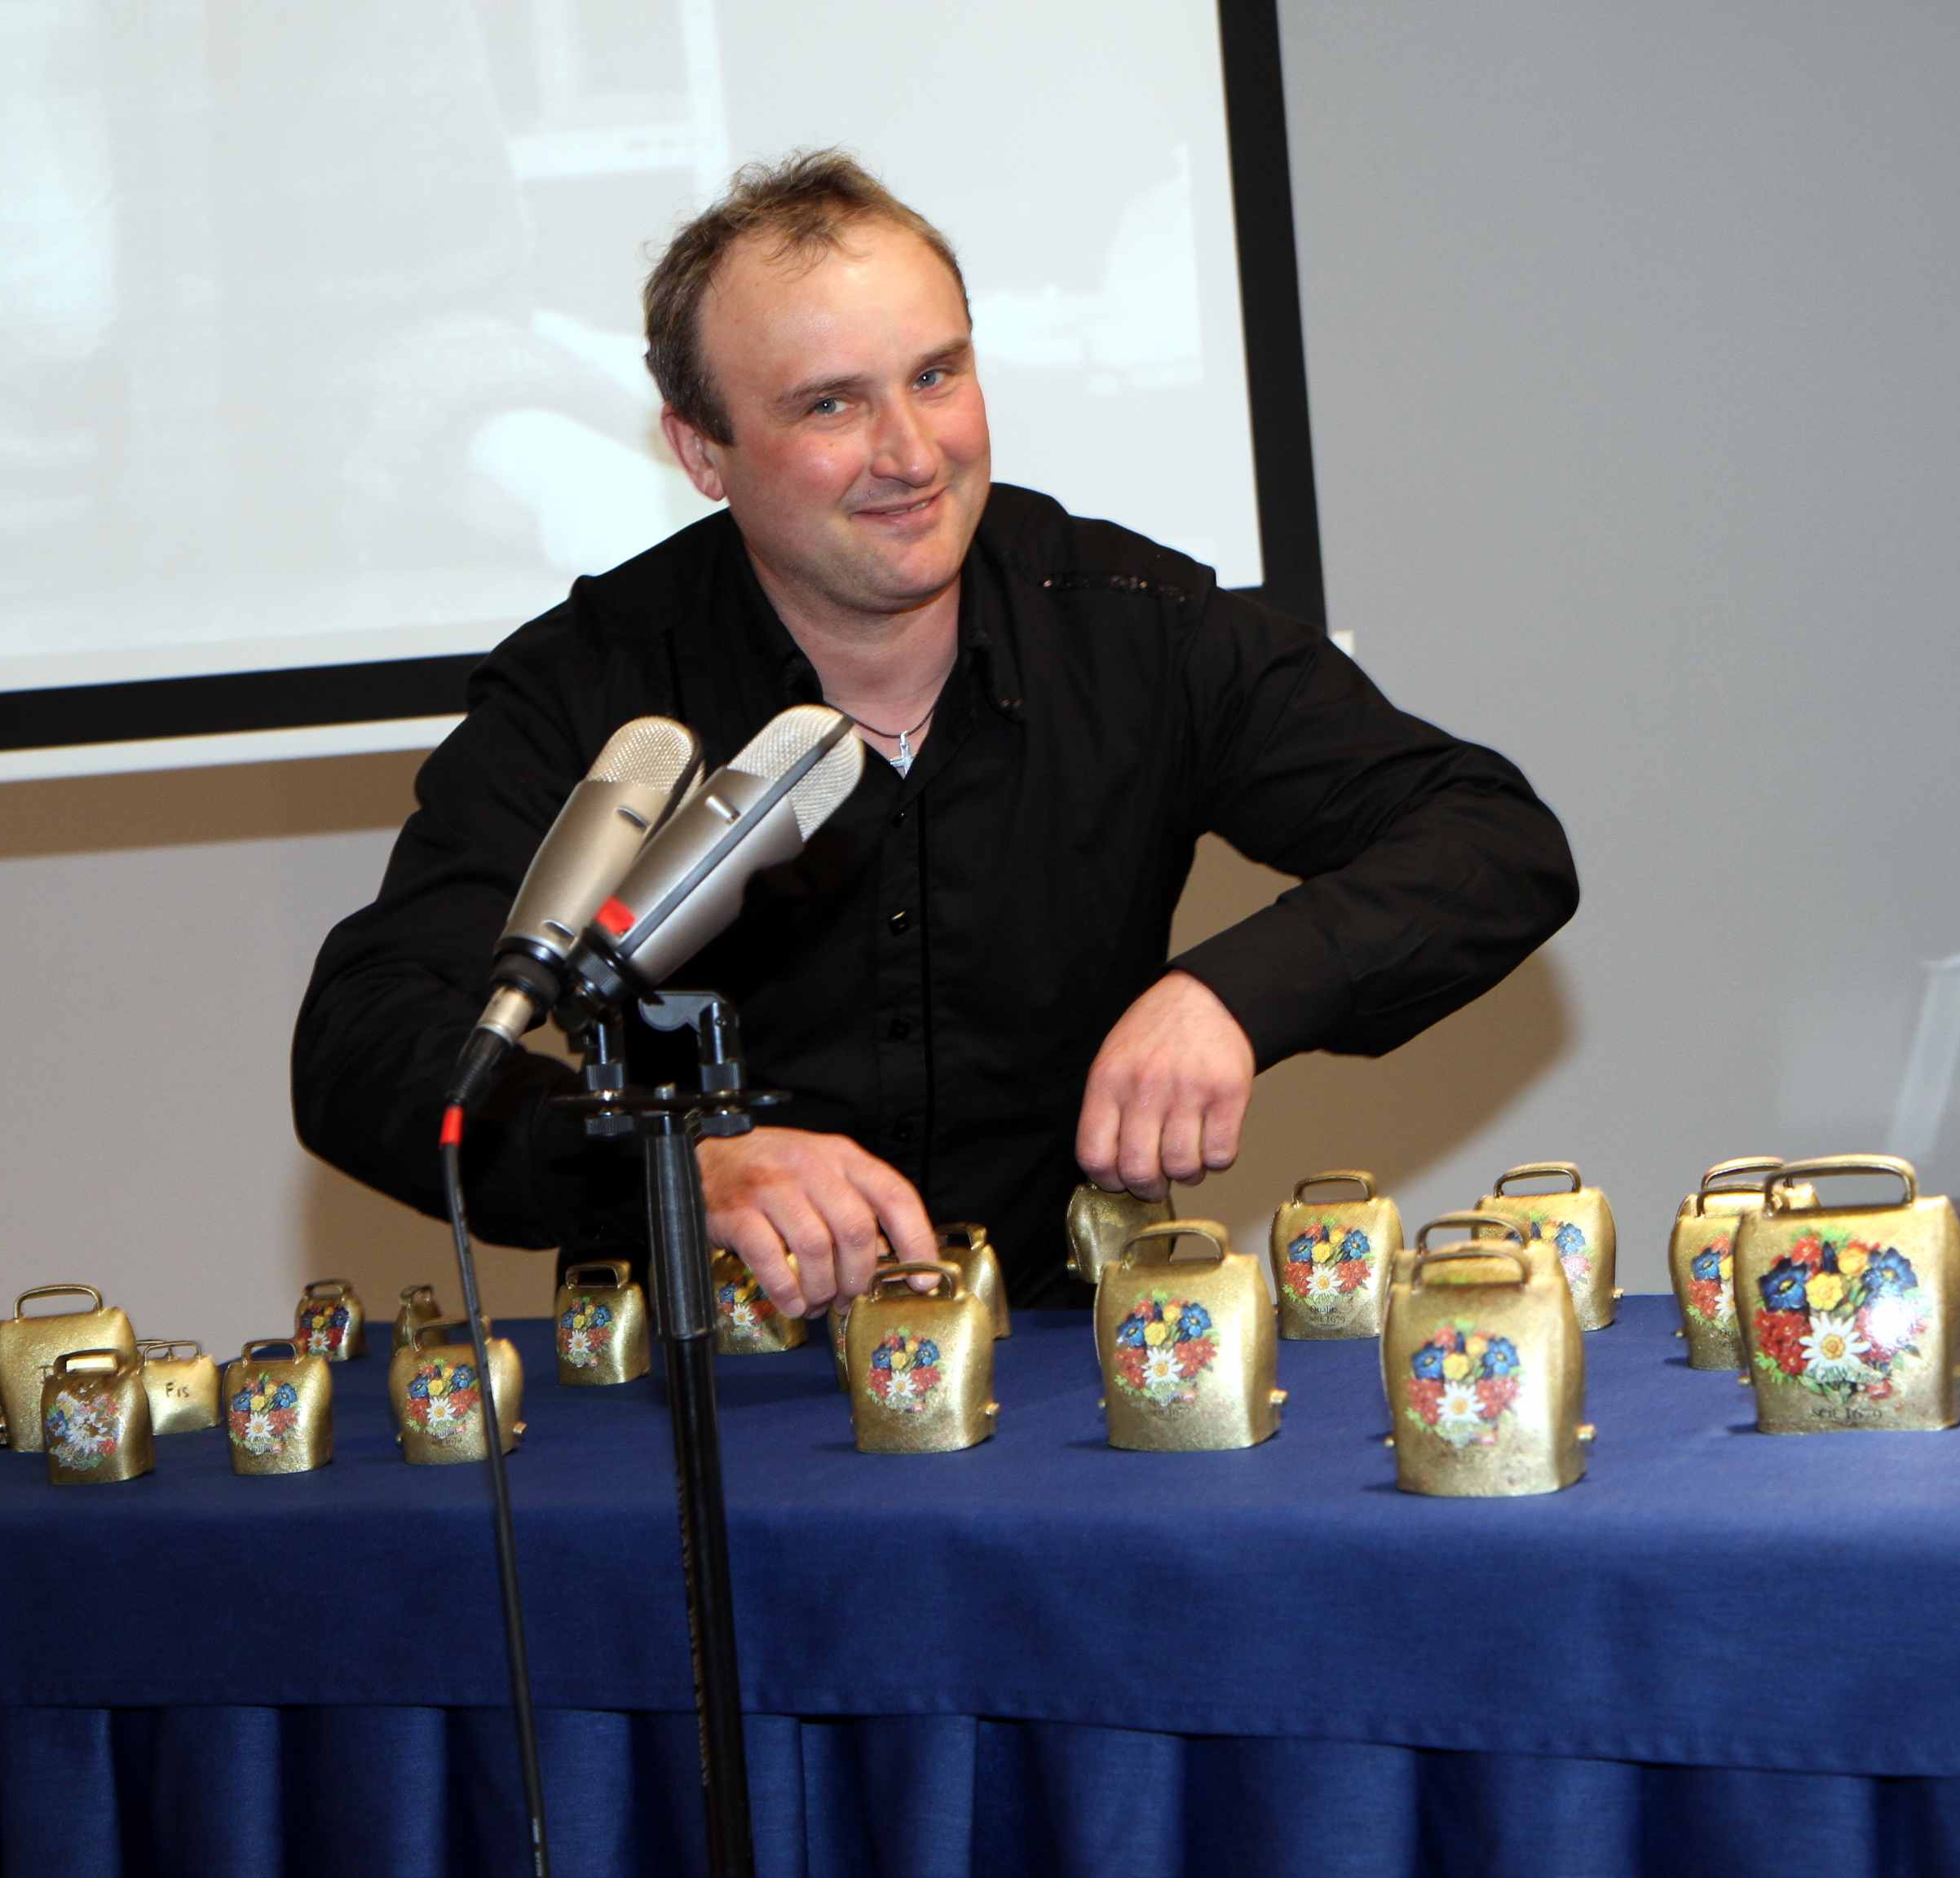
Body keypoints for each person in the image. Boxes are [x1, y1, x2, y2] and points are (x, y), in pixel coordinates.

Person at [293, 150, 1576, 1312]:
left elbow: (1494, 842)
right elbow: (365, 1042)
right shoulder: (597, 686)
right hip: (711, 1389)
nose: (910, 453)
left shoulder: (1133, 625)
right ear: (702, 453)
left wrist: (1229, 995)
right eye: (830, 406)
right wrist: (678, 1165)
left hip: (1067, 1375)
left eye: (935, 376)